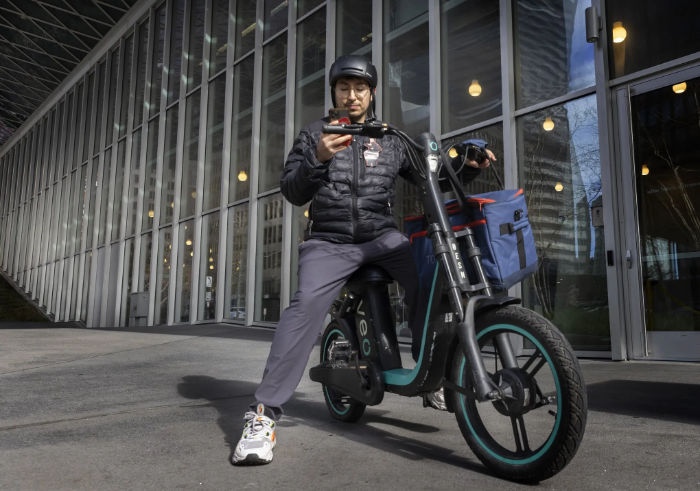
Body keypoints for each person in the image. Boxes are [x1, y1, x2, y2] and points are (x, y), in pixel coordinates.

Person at [232, 55, 494, 465]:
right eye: (343, 88)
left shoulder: (390, 139)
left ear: (371, 93)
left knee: (432, 280)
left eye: (360, 88)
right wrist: (317, 157)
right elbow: (292, 190)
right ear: (334, 92)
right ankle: (264, 414)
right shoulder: (314, 133)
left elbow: (433, 177)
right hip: (329, 241)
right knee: (303, 311)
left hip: (382, 238)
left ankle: (434, 375)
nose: (352, 95)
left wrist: (466, 167)